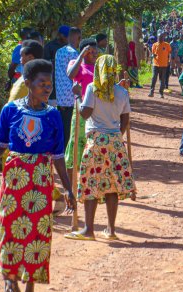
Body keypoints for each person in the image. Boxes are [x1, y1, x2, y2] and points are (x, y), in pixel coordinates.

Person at [0, 59, 75, 292]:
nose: (47, 88)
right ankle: (10, 276)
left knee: (38, 234)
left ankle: (30, 291)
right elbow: (0, 145)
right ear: (27, 83)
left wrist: (68, 188)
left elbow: (58, 157)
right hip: (14, 179)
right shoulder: (10, 110)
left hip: (41, 180)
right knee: (9, 228)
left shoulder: (53, 115)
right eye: (41, 83)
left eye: (49, 84)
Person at [65, 55, 136, 241]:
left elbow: (85, 114)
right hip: (115, 142)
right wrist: (115, 137)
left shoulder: (92, 88)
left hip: (96, 141)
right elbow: (125, 120)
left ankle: (89, 230)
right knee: (112, 184)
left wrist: (77, 95)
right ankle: (110, 230)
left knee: (91, 184)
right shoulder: (122, 92)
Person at [64, 38, 97, 179]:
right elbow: (70, 74)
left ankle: (88, 181)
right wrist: (81, 56)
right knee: (75, 143)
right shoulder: (76, 64)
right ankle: (70, 184)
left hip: (96, 112)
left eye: (96, 52)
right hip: (80, 109)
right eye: (91, 52)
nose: (94, 54)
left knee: (92, 145)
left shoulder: (98, 67)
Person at [55, 27, 81, 147]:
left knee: (63, 127)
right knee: (70, 129)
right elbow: (75, 75)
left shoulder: (59, 51)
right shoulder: (74, 54)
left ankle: (60, 151)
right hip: (71, 96)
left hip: (60, 96)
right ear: (78, 38)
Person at [148, 33, 170, 98]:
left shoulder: (167, 45)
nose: (160, 38)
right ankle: (151, 92)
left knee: (162, 79)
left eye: (161, 37)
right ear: (157, 38)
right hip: (156, 64)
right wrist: (153, 55)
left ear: (163, 38)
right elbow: (152, 53)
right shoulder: (154, 45)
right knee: (154, 78)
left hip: (164, 65)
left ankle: (161, 93)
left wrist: (169, 61)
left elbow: (170, 53)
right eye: (159, 37)